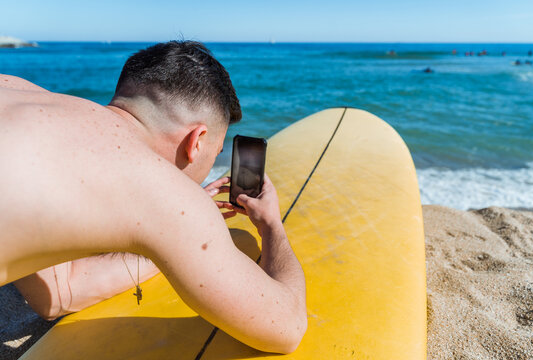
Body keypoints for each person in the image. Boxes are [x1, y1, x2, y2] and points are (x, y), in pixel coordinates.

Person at [0, 40, 307, 354]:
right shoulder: (161, 191)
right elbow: (288, 328)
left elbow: (58, 289)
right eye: (215, 153)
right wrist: (272, 228)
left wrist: (166, 243)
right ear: (197, 141)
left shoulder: (22, 89)